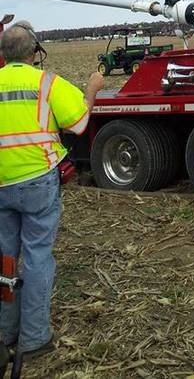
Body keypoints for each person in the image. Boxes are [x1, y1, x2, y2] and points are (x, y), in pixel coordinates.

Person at [0, 21, 104, 361]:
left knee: (6, 260)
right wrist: (92, 89)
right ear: (35, 52)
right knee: (37, 257)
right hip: (37, 182)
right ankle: (34, 339)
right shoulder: (47, 83)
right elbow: (78, 124)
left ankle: (5, 333)